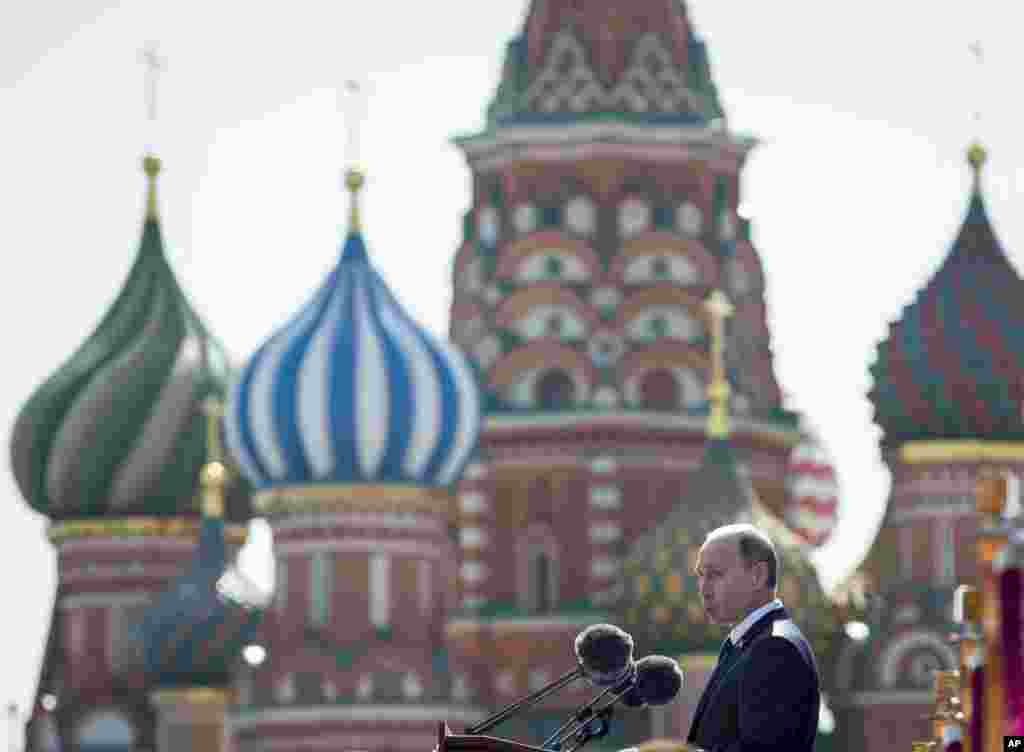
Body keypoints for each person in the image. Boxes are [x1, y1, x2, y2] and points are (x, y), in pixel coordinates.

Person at [686, 524, 820, 752]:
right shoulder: (746, 642)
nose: (704, 589)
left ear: (757, 576)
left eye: (715, 574)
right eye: (701, 575)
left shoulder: (775, 647)